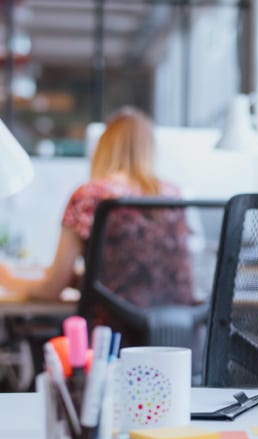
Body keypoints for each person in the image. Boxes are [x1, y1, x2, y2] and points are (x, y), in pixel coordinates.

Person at [0, 107, 193, 345]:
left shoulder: (90, 196)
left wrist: (8, 278)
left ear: (104, 148)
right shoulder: (174, 197)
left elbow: (53, 287)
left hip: (110, 338)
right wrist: (85, 279)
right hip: (177, 338)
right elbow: (147, 273)